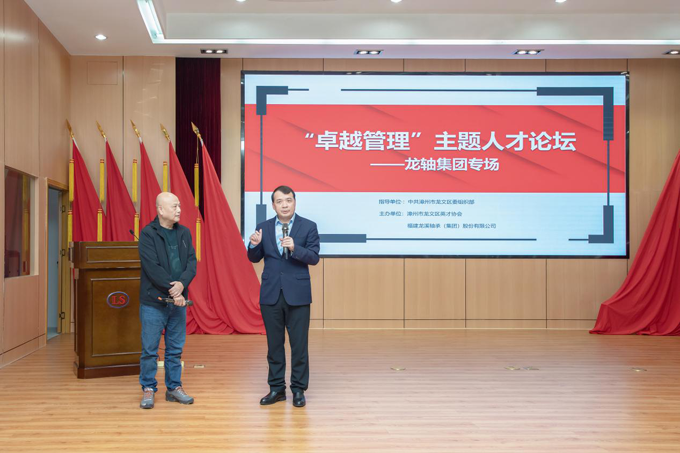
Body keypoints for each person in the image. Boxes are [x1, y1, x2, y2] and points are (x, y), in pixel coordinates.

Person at [248, 185, 320, 408]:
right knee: (274, 345)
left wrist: (295, 248)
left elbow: (314, 257)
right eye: (279, 201)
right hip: (271, 294)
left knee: (299, 346)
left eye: (288, 200)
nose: (285, 205)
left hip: (298, 295)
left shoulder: (308, 226)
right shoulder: (263, 227)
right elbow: (254, 257)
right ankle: (276, 388)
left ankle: (298, 389)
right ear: (273, 205)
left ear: (294, 202)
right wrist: (253, 245)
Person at [137, 192, 197, 409]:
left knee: (175, 349)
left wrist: (182, 285)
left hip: (178, 303)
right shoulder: (148, 234)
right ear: (160, 210)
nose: (179, 210)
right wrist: (175, 291)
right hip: (154, 302)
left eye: (179, 206)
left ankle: (174, 388)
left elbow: (191, 263)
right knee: (150, 350)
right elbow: (152, 268)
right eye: (174, 206)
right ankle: (148, 388)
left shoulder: (184, 233)